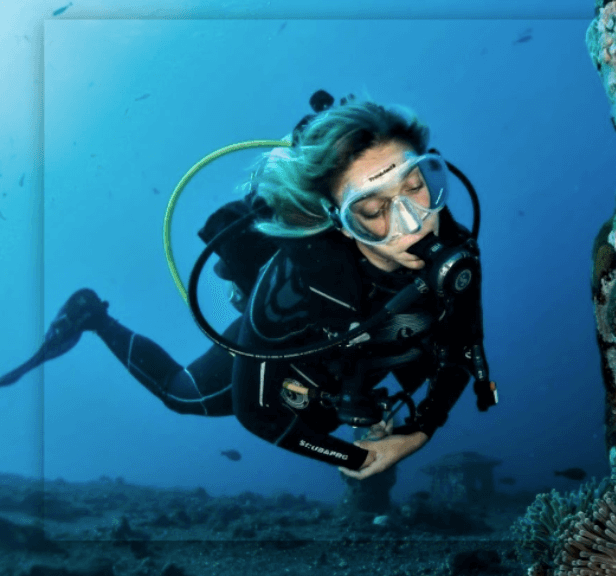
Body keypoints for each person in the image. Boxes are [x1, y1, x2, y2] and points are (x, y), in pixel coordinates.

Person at [0, 92, 495, 480]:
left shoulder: (451, 242)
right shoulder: (291, 291)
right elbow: (256, 415)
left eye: (414, 185)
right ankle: (95, 316)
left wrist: (414, 435)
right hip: (291, 353)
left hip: (360, 362)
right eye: (373, 209)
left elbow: (462, 348)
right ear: (341, 223)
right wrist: (356, 455)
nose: (413, 223)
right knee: (184, 397)